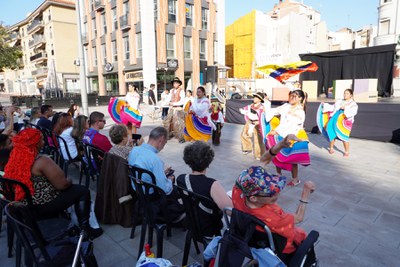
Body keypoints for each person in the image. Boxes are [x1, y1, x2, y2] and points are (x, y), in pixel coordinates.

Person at [3, 128, 103, 239]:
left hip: (23, 205)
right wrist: (69, 180)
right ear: (34, 144)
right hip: (41, 206)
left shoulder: (14, 159)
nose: (44, 142)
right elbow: (62, 185)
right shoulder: (41, 161)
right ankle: (85, 229)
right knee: (82, 190)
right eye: (41, 140)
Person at [232, 165, 315, 257]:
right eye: (271, 193)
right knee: (303, 234)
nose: (277, 193)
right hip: (283, 247)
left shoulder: (238, 193)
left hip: (252, 238)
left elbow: (243, 178)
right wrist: (306, 192)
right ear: (253, 198)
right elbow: (298, 218)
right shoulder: (272, 218)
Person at [128, 127, 185, 223]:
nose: (163, 146)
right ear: (161, 140)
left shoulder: (134, 150)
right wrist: (170, 180)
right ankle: (172, 214)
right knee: (176, 189)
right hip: (151, 195)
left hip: (138, 189)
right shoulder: (155, 160)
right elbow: (164, 189)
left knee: (171, 186)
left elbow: (144, 169)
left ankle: (172, 210)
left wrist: (162, 173)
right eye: (165, 143)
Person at [177, 141, 232, 237]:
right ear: (208, 162)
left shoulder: (180, 178)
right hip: (210, 228)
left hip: (191, 223)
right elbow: (231, 211)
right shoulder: (212, 185)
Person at [263, 89, 310, 186]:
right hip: (280, 133)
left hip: (293, 135)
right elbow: (273, 111)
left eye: (295, 96)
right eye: (291, 95)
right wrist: (266, 103)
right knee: (276, 154)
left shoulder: (300, 112)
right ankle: (278, 175)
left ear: (300, 98)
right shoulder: (285, 106)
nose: (292, 98)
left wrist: (277, 131)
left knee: (293, 159)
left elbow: (292, 126)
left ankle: (295, 179)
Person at [317, 89, 358, 157]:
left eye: (347, 93)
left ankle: (346, 151)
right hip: (335, 118)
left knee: (344, 136)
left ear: (351, 95)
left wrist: (345, 108)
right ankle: (331, 148)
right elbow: (333, 107)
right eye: (344, 93)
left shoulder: (353, 104)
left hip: (344, 121)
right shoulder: (339, 101)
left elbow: (353, 112)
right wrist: (325, 105)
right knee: (331, 132)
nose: (345, 95)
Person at [240, 92, 266, 160]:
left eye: (256, 97)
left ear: (260, 99)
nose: (254, 98)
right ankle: (246, 148)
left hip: (257, 124)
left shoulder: (262, 107)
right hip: (249, 122)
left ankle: (259, 154)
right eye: (254, 97)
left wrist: (258, 122)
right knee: (244, 135)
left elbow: (263, 116)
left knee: (257, 140)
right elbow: (246, 110)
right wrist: (243, 111)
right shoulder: (250, 105)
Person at [163, 77, 186, 143]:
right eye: (174, 83)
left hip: (178, 109)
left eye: (176, 83)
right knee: (167, 122)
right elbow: (168, 99)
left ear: (179, 84)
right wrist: (163, 104)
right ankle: (167, 135)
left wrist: (173, 103)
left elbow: (182, 101)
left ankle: (181, 138)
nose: (175, 84)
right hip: (172, 109)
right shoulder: (171, 91)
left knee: (179, 124)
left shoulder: (182, 91)